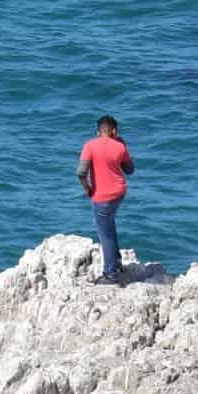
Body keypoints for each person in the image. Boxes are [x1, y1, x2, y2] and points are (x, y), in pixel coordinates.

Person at [77, 115, 135, 285]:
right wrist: (123, 147)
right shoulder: (120, 146)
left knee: (105, 234)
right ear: (114, 131)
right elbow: (130, 170)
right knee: (109, 224)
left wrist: (87, 188)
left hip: (101, 196)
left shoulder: (89, 145)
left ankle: (111, 274)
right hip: (119, 193)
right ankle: (116, 261)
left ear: (98, 132)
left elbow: (81, 172)